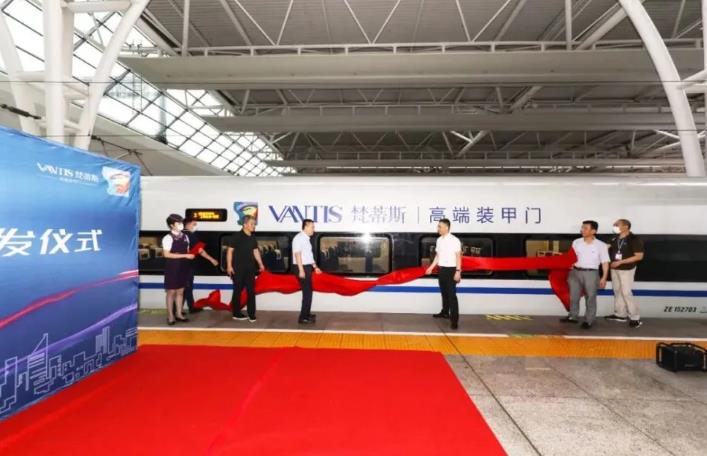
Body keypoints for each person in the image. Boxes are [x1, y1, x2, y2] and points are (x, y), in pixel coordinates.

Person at [561, 220, 610, 329]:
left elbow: (605, 262)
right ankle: (573, 316)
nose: (582, 230)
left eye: (585, 228)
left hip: (591, 274)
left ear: (593, 231)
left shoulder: (601, 245)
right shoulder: (576, 242)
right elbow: (571, 257)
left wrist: (604, 278)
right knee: (573, 296)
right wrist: (569, 263)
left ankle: (589, 320)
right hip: (574, 272)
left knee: (590, 297)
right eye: (582, 228)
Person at [605, 219, 645, 328]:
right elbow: (604, 248)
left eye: (617, 224)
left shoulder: (634, 239)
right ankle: (620, 314)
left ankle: (635, 318)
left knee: (626, 292)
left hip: (627, 269)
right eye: (614, 224)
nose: (614, 226)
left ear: (626, 226)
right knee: (617, 291)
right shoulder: (614, 238)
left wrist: (620, 262)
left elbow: (639, 256)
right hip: (614, 269)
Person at [226, 215, 265, 322]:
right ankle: (236, 313)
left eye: (254, 224)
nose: (254, 226)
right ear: (244, 224)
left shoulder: (252, 237)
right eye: (252, 224)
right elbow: (230, 251)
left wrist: (261, 264)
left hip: (250, 269)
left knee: (251, 291)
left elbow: (255, 251)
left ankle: (251, 314)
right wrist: (229, 266)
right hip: (237, 269)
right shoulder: (237, 236)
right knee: (237, 291)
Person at [425, 218, 462, 330]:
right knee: (444, 293)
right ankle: (445, 312)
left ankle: (454, 320)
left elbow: (458, 257)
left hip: (451, 270)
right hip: (441, 270)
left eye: (440, 226)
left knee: (452, 296)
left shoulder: (454, 240)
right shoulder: (439, 240)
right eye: (438, 226)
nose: (438, 228)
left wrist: (458, 272)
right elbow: (438, 256)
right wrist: (431, 267)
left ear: (446, 227)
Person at [162, 214, 194, 325]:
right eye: (178, 223)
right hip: (172, 268)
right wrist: (185, 255)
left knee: (180, 292)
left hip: (184, 267)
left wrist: (190, 255)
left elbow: (187, 251)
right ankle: (170, 316)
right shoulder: (167, 238)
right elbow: (166, 254)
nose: (181, 224)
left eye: (181, 222)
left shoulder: (185, 237)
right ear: (172, 225)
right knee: (171, 292)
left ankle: (179, 314)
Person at [181, 217, 219, 314]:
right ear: (188, 224)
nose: (195, 226)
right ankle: (187, 308)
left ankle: (181, 309)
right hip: (187, 266)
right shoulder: (190, 235)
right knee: (187, 287)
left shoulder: (180, 234)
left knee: (184, 288)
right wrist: (212, 259)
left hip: (180, 265)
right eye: (194, 224)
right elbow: (200, 250)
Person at [293, 218, 322, 324]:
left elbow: (309, 256)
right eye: (312, 227)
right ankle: (303, 317)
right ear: (305, 227)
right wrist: (301, 270)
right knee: (307, 293)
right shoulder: (299, 238)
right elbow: (297, 254)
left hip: (306, 267)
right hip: (302, 267)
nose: (313, 229)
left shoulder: (306, 239)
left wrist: (315, 267)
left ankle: (306, 314)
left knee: (308, 292)